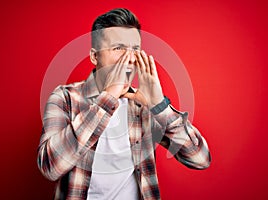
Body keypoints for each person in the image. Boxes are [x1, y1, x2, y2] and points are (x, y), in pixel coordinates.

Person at [37, 8, 211, 200]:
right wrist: (108, 98)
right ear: (95, 57)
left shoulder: (142, 106)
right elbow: (50, 167)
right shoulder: (65, 98)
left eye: (135, 49)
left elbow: (200, 159)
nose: (129, 58)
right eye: (118, 48)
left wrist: (159, 105)